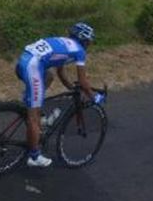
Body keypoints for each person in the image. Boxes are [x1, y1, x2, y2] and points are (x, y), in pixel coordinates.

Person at [15, 22, 104, 168]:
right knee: (33, 118)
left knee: (48, 77)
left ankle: (33, 106)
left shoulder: (65, 43)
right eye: (89, 42)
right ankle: (34, 156)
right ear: (84, 40)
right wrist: (95, 97)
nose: (89, 45)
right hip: (33, 66)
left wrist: (71, 88)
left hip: (24, 61)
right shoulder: (79, 50)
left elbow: (60, 72)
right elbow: (83, 80)